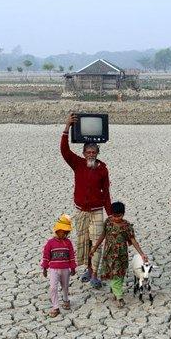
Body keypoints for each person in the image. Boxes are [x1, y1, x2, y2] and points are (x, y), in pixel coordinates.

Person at [61, 114, 112, 289]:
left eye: (94, 152)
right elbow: (64, 151)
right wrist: (67, 127)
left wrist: (111, 214)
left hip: (97, 210)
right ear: (83, 153)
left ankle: (95, 274)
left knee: (97, 241)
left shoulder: (103, 169)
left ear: (98, 153)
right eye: (88, 152)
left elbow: (106, 192)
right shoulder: (78, 164)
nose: (91, 154)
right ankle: (88, 269)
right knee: (84, 242)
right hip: (81, 211)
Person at [88, 202, 149, 308]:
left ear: (123, 214)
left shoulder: (126, 226)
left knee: (120, 274)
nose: (116, 218)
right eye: (114, 216)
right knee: (115, 274)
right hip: (110, 255)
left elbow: (132, 240)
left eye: (119, 216)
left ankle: (116, 290)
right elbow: (103, 235)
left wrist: (142, 254)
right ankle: (119, 297)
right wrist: (94, 248)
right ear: (111, 214)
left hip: (121, 255)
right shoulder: (108, 222)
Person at [41, 214, 77, 318]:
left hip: (65, 269)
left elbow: (71, 256)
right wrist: (44, 268)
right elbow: (46, 256)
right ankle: (55, 306)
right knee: (53, 287)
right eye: (63, 231)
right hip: (53, 269)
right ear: (57, 230)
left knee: (65, 287)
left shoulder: (68, 243)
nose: (65, 233)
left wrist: (73, 267)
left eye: (67, 232)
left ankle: (66, 300)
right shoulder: (50, 243)